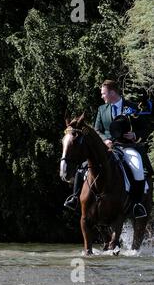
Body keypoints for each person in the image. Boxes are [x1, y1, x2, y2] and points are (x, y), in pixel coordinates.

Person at [64, 80, 151, 218]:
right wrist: (105, 140)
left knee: (138, 166)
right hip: (106, 148)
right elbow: (97, 129)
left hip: (127, 147)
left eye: (103, 93)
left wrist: (135, 135)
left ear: (112, 92)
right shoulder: (101, 109)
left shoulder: (133, 107)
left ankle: (136, 204)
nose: (102, 96)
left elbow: (145, 128)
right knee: (83, 167)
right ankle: (74, 198)